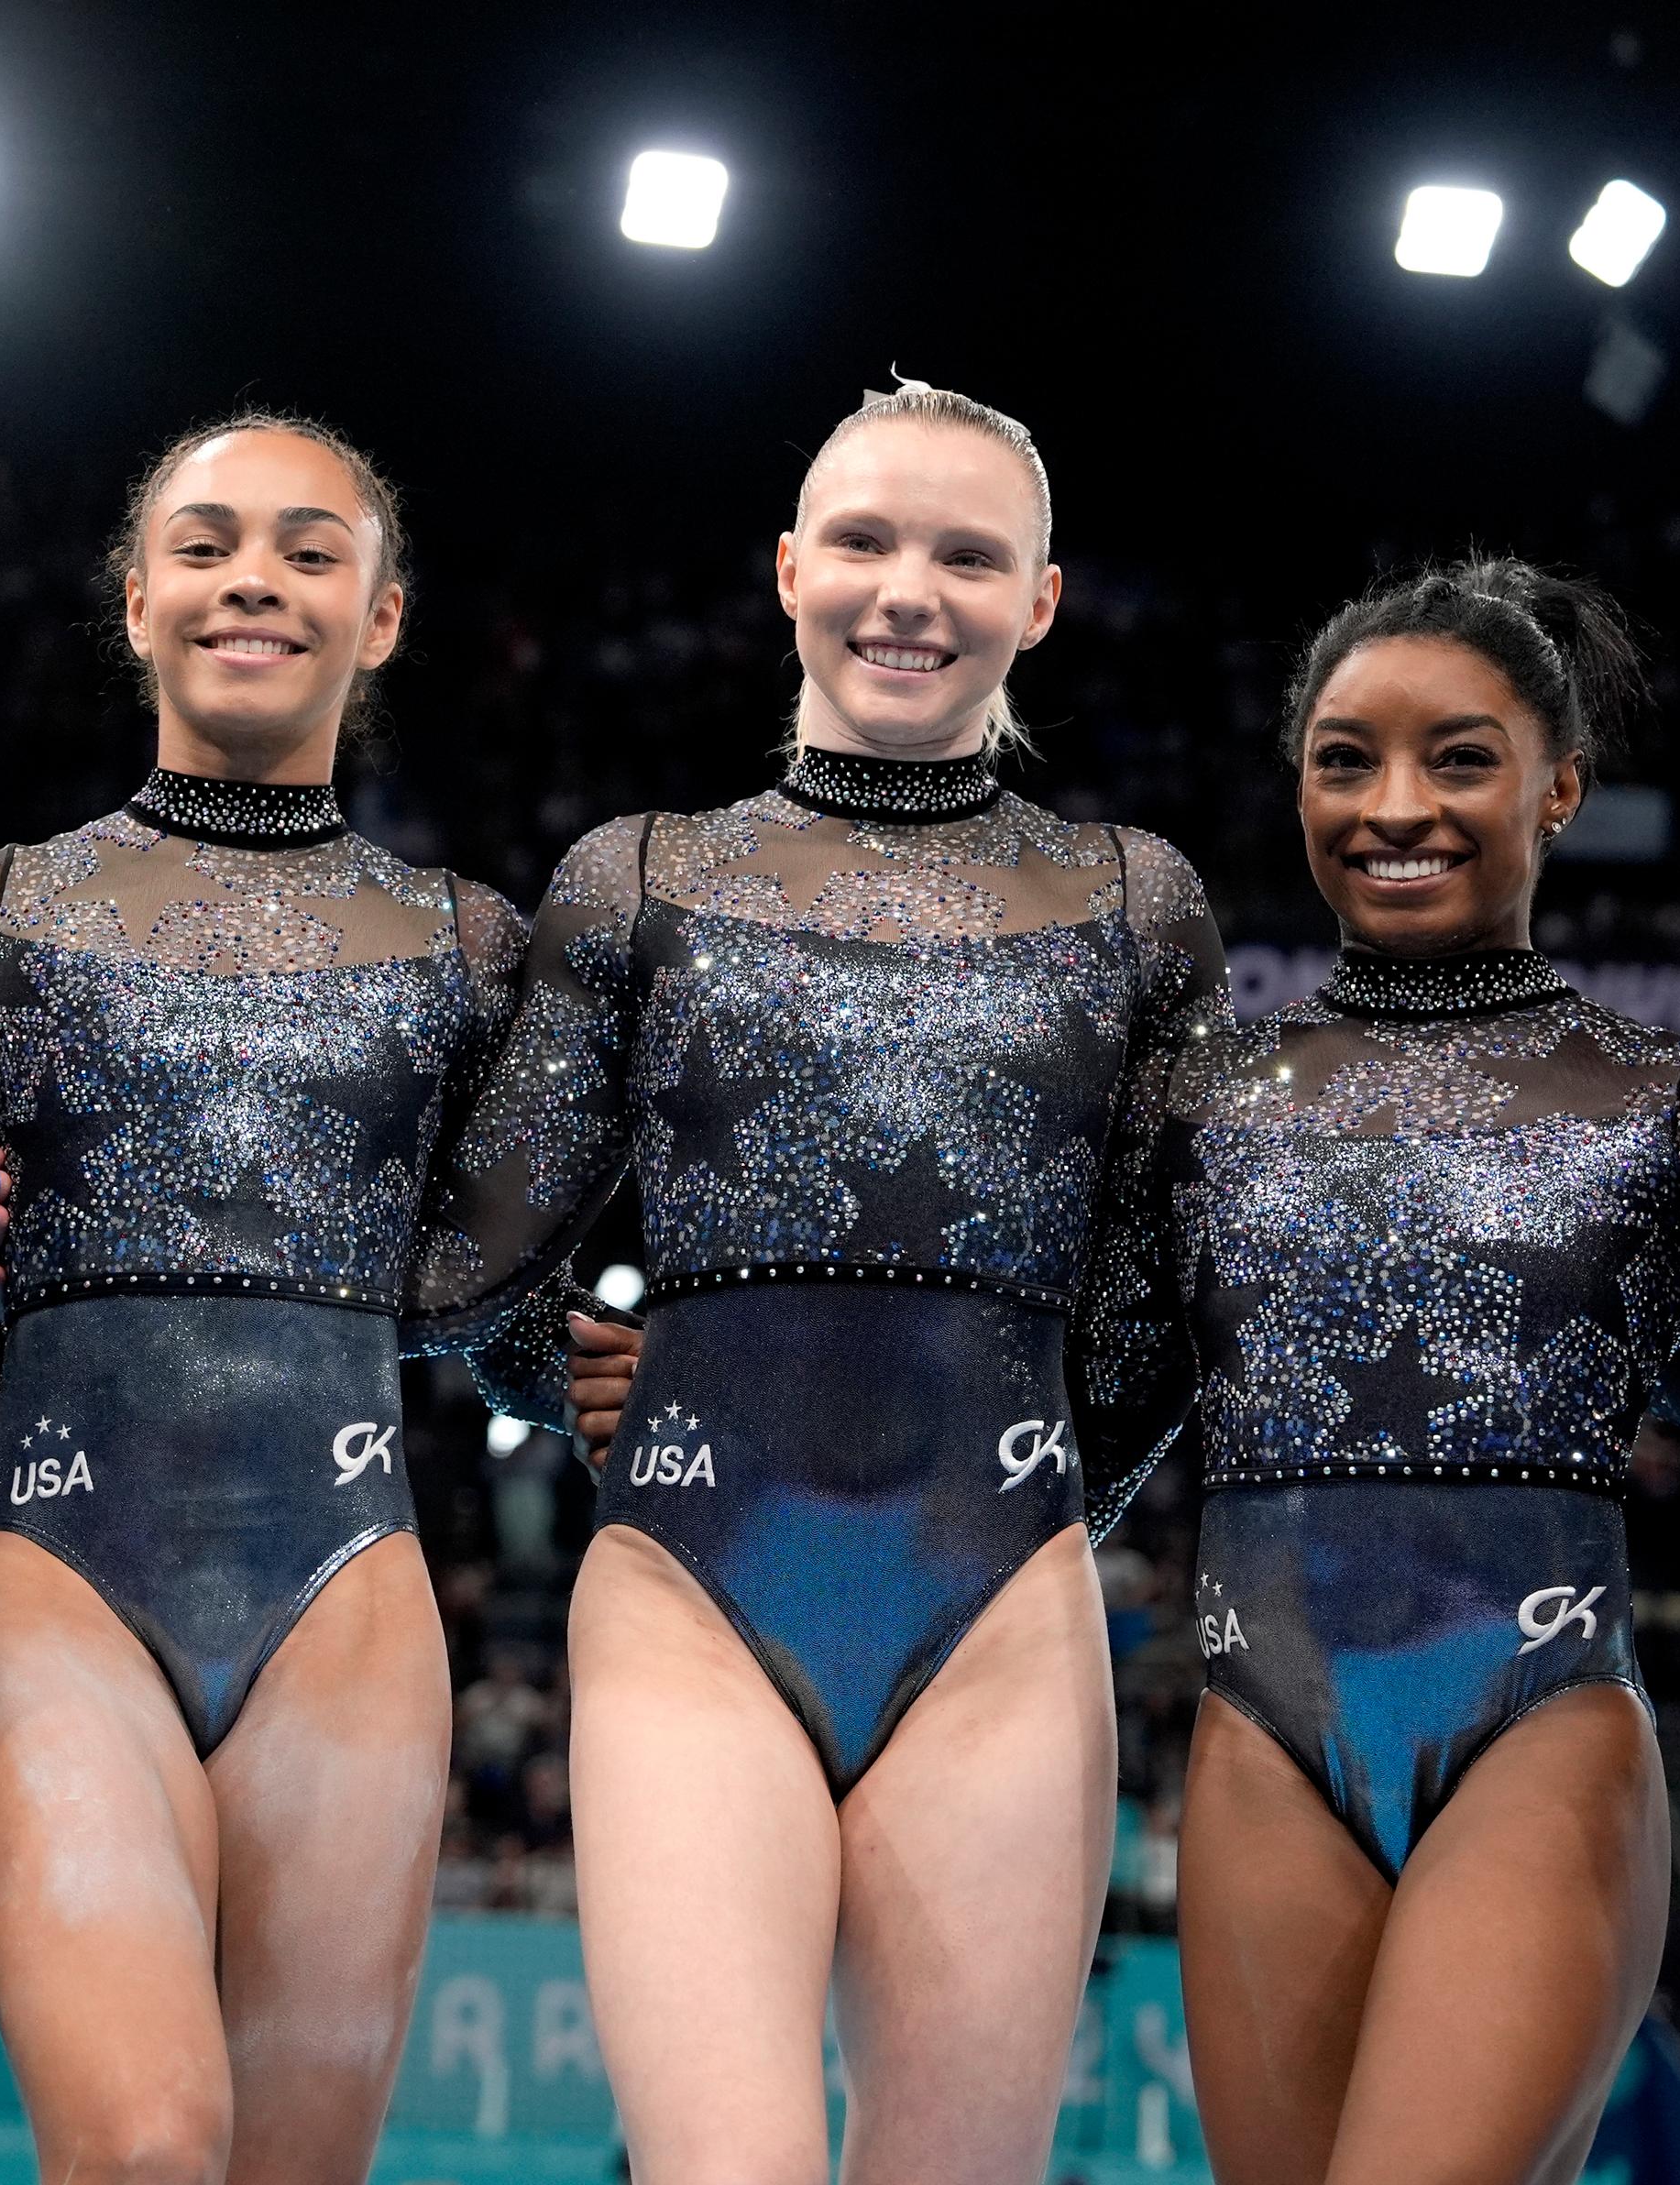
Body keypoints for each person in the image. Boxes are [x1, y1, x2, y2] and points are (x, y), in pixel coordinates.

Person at [442, 379, 1226, 2182]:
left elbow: (1171, 1285)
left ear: (1039, 599)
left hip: (1004, 1616)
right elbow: (476, 1260)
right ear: (789, 568)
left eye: (968, 553)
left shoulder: (1135, 900)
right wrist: (552, 1374)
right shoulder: (638, 881)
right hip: (691, 1597)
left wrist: (1058, 1479)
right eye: (865, 540)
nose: (908, 590)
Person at [0, 414, 637, 2184]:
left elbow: (492, 1304)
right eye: (211, 542)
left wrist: (602, 1374)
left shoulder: (467, 941)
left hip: (348, 1601)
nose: (256, 579)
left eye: (312, 551)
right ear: (137, 595)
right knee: (149, 2147)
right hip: (60, 1571)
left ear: (379, 618)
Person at [1077, 557, 1680, 2185]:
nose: (1399, 805)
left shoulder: (1671, 1100)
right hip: (1264, 1736)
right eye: (1345, 759)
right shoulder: (1197, 1105)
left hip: (1541, 1726)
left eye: (1461, 757)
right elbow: (1075, 1434)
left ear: (1561, 788)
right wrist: (696, 1386)